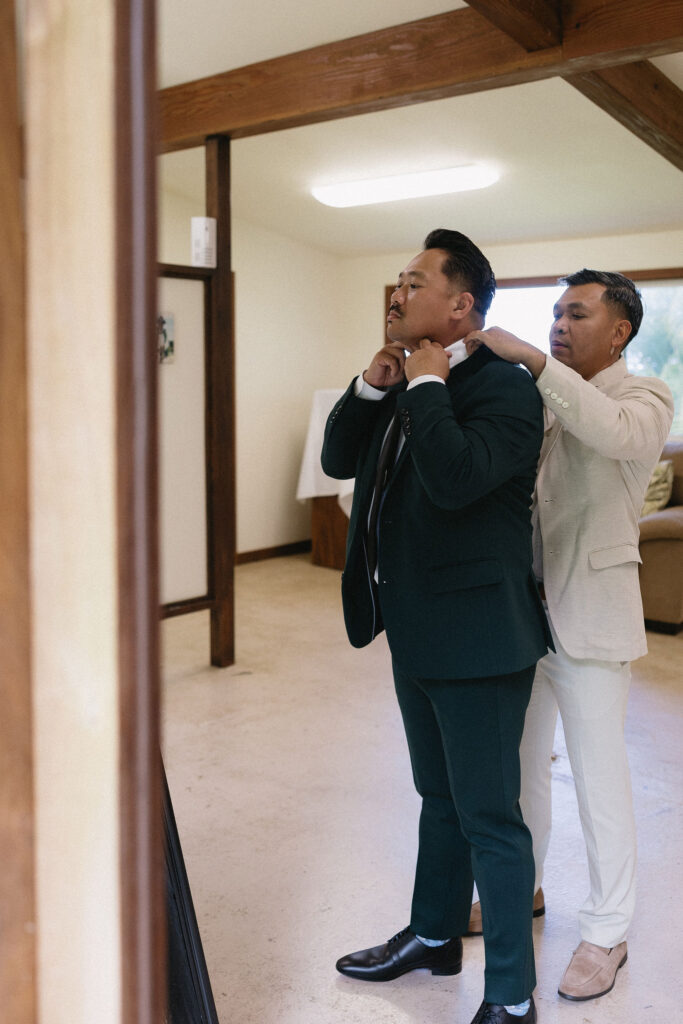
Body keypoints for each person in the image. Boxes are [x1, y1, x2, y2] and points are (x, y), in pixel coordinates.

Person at [321, 229, 553, 1024]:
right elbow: (336, 461)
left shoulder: (504, 390)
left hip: (483, 638)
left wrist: (424, 389)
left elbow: (455, 483)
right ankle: (432, 936)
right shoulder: (400, 379)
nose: (395, 292)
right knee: (437, 797)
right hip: (416, 630)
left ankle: (512, 996)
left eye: (413, 282)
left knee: (489, 813)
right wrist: (374, 384)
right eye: (394, 280)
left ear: (461, 306)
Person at [464, 269, 674, 1003]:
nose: (558, 323)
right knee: (521, 772)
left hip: (591, 620)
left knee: (597, 780)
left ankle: (607, 931)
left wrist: (532, 360)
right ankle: (520, 892)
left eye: (575, 313)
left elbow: (611, 433)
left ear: (618, 331)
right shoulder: (544, 399)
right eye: (553, 312)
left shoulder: (642, 396)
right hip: (525, 621)